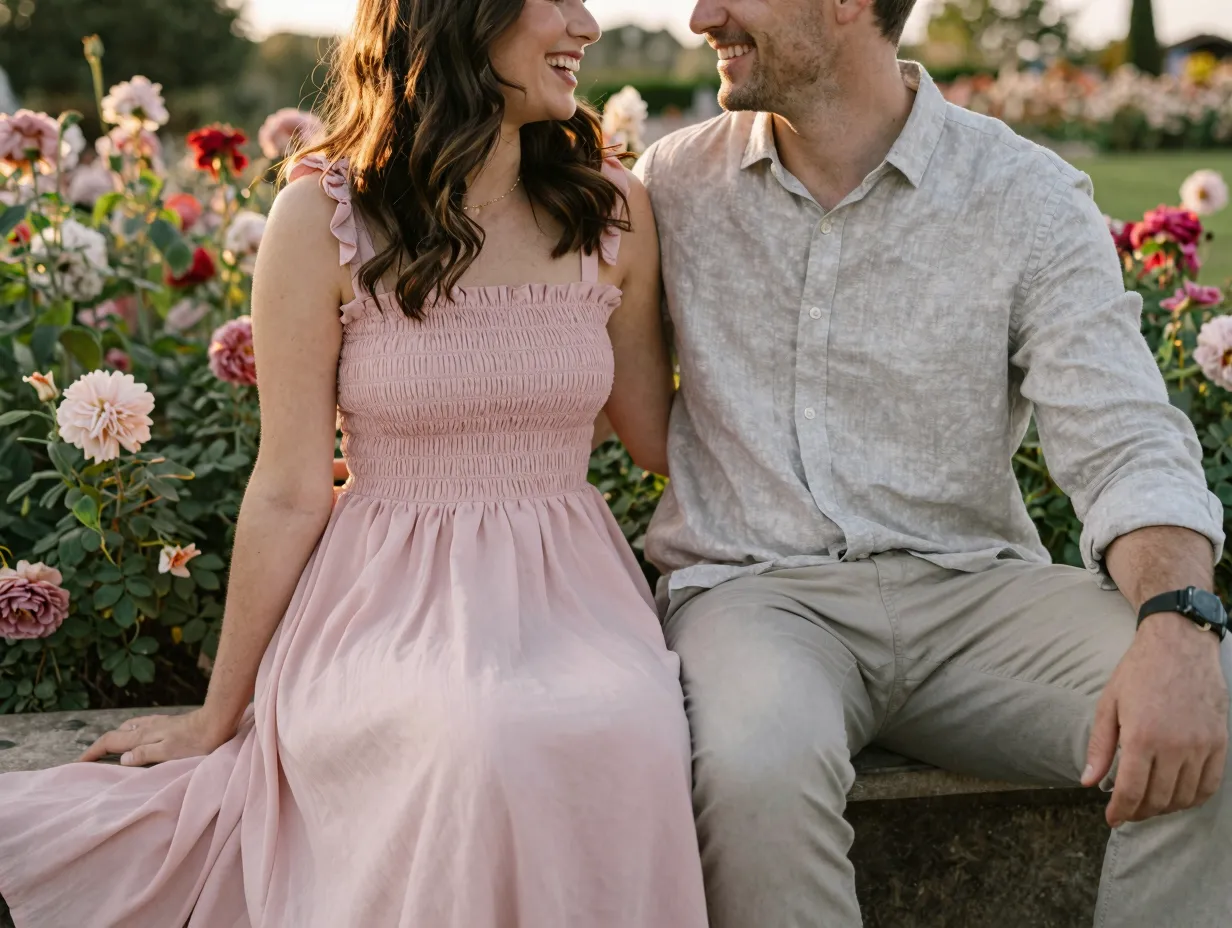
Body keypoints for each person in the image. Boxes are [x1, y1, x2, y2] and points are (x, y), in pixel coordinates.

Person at [0, 2, 708, 926]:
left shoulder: (610, 209)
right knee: (474, 733)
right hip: (385, 601)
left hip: (572, 591)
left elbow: (655, 437)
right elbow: (291, 486)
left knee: (631, 724)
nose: (588, 23)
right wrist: (219, 714)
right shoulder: (325, 215)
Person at [633, 0, 1232, 925]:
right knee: (756, 764)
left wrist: (1177, 620)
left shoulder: (1023, 194)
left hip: (971, 595)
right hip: (758, 597)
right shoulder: (671, 185)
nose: (701, 15)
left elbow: (1124, 439)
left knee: (1217, 697)